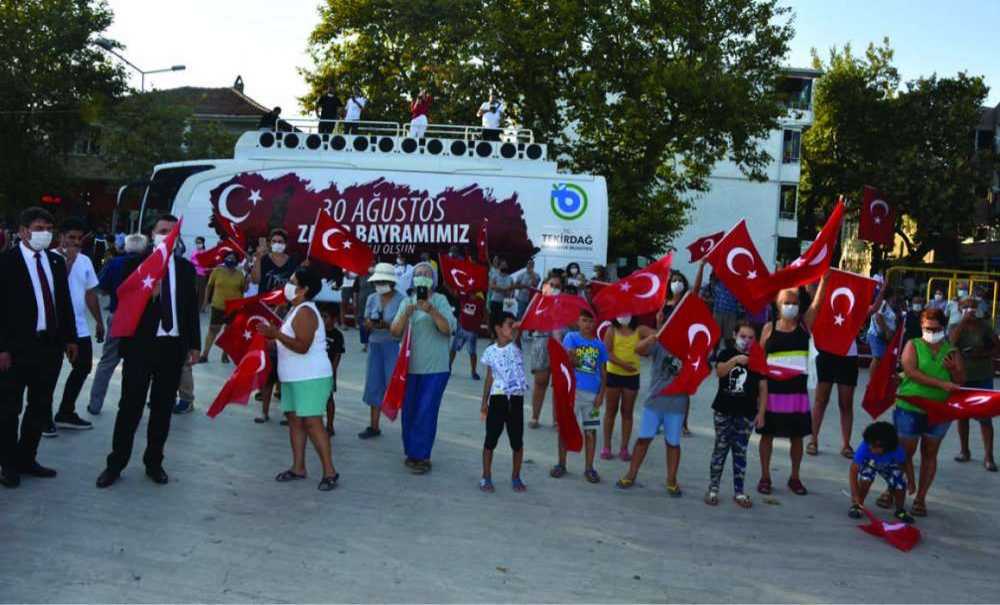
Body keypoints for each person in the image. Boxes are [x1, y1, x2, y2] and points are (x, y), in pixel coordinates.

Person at [96, 215, 201, 488]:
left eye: (172, 232)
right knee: (130, 407)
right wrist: (147, 297)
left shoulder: (186, 268)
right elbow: (121, 302)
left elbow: (191, 310)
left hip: (172, 347)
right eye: (162, 231)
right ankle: (115, 464)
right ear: (152, 234)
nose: (167, 235)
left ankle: (154, 462)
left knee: (162, 410)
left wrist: (194, 344)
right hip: (141, 347)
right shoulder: (135, 264)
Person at [0, 207, 78, 488]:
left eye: (48, 228)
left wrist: (70, 338)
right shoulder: (6, 262)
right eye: (38, 227)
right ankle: (7, 463)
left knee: (40, 406)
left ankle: (26, 458)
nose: (44, 233)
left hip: (49, 347)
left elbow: (63, 302)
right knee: (9, 409)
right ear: (23, 231)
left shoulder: (55, 262)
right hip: (16, 348)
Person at [258, 267, 339, 491]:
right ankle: (298, 467)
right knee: (294, 420)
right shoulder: (294, 309)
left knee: (313, 423)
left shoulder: (306, 312)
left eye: (293, 281)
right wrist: (272, 339)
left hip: (310, 377)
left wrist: (276, 335)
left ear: (304, 290)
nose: (288, 284)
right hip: (293, 377)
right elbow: (288, 342)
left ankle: (329, 471)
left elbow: (302, 346)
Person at [887, 308, 964, 517]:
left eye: (935, 328)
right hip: (911, 407)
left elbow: (960, 383)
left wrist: (954, 371)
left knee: (930, 453)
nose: (930, 331)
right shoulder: (913, 344)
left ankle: (920, 497)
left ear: (943, 327)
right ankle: (892, 490)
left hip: (939, 411)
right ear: (921, 326)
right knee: (904, 452)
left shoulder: (952, 351)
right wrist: (940, 382)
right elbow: (910, 371)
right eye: (926, 327)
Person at [390, 261, 456, 473]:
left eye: (427, 273)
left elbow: (448, 329)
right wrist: (405, 314)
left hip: (435, 368)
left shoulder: (440, 300)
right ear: (412, 278)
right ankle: (412, 452)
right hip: (409, 368)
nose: (423, 276)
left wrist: (432, 311)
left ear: (433, 280)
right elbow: (394, 332)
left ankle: (423, 456)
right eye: (418, 273)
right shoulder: (406, 301)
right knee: (409, 411)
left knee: (426, 411)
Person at [809, 276, 885, 458]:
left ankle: (846, 444)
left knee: (846, 403)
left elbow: (873, 309)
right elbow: (813, 298)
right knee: (821, 400)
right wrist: (824, 279)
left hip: (848, 356)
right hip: (826, 353)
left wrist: (881, 292)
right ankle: (813, 440)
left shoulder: (856, 308)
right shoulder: (825, 304)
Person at [616, 302, 687, 495]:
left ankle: (671, 480)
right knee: (643, 439)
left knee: (673, 443)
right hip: (655, 401)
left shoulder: (690, 346)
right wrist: (652, 338)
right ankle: (631, 474)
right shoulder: (660, 341)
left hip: (678, 403)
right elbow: (638, 350)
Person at [756, 287, 820, 496]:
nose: (790, 306)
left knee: (797, 436)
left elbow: (817, 305)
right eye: (786, 302)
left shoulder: (804, 325)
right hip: (771, 391)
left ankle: (795, 477)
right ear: (777, 305)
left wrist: (824, 281)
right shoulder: (768, 328)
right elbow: (758, 358)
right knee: (767, 435)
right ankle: (765, 476)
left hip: (796, 392)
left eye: (794, 303)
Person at [703, 321, 767, 508]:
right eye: (743, 336)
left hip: (746, 413)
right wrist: (735, 361)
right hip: (724, 410)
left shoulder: (758, 357)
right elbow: (720, 372)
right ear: (734, 335)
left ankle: (739, 492)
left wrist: (761, 413)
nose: (746, 341)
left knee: (740, 452)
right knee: (720, 449)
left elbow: (763, 387)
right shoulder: (726, 353)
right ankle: (713, 489)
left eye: (750, 337)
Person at [52, 218, 104, 433]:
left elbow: (90, 293)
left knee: (83, 367)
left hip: (79, 327)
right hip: (54, 327)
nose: (75, 242)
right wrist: (68, 262)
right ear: (61, 237)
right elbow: (57, 286)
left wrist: (99, 321)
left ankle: (65, 411)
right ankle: (42, 417)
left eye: (78, 238)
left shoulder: (85, 260)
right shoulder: (49, 258)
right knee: (48, 374)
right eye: (70, 237)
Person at [87, 233, 147, 415]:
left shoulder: (114, 263)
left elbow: (101, 288)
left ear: (125, 247)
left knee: (107, 361)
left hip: (118, 315)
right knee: (138, 364)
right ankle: (130, 405)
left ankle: (95, 403)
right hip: (142, 319)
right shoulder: (150, 264)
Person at [551, 309, 608, 483]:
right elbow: (569, 361)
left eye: (591, 321)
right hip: (572, 393)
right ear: (578, 322)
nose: (588, 325)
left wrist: (601, 394)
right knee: (565, 428)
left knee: (590, 431)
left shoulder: (600, 345)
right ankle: (561, 463)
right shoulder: (571, 338)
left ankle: (589, 467)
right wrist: (571, 357)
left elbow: (604, 371)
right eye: (584, 320)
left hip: (592, 395)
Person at [478, 312, 529, 493]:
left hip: (515, 399)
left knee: (517, 441)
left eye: (514, 324)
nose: (513, 327)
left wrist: (517, 325)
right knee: (490, 439)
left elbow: (518, 330)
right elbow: (489, 378)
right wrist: (484, 402)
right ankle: (486, 476)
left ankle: (516, 476)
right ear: (498, 329)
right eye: (509, 324)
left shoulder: (515, 345)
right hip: (498, 398)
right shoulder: (490, 351)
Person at [951, 296, 998, 471]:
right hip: (962, 376)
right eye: (966, 306)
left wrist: (984, 353)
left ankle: (989, 456)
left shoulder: (985, 326)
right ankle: (964, 451)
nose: (970, 309)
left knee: (985, 417)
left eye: (973, 306)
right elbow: (951, 343)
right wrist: (963, 322)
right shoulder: (955, 325)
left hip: (983, 375)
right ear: (960, 308)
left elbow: (997, 347)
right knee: (962, 415)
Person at [359, 263, 404, 439]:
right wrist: (368, 324)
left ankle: (405, 425)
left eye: (383, 281)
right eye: (378, 281)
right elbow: (365, 321)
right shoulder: (372, 298)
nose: (379, 285)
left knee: (395, 385)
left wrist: (386, 325)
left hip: (393, 345)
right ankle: (374, 425)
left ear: (391, 282)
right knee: (374, 383)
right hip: (375, 344)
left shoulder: (401, 300)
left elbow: (402, 327)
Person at [601, 315, 652, 461]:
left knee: (627, 412)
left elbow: (657, 334)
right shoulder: (611, 330)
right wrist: (624, 365)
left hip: (632, 376)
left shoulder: (640, 329)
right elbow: (607, 353)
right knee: (610, 411)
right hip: (614, 374)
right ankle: (607, 446)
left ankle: (624, 448)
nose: (625, 314)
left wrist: (659, 320)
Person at [848, 421, 915, 524]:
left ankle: (900, 510)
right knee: (865, 479)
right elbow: (853, 471)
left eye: (874, 446)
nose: (870, 448)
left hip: (889, 464)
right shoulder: (865, 447)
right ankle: (857, 505)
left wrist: (911, 480)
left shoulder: (897, 451)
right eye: (869, 444)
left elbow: (906, 463)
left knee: (900, 484)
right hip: (870, 462)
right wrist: (854, 494)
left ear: (887, 447)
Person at [525, 273, 565, 428]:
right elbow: (529, 321)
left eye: (558, 286)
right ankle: (535, 417)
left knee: (558, 385)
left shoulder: (565, 303)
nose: (554, 288)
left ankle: (557, 420)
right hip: (541, 343)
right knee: (540, 382)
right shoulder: (538, 301)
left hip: (560, 346)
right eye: (551, 285)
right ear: (546, 286)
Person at [199, 252, 247, 363]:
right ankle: (205, 354)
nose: (230, 259)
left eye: (233, 257)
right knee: (213, 330)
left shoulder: (240, 274)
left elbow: (243, 290)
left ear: (237, 261)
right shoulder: (217, 271)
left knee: (229, 332)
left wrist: (247, 281)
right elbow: (209, 286)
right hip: (218, 305)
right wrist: (205, 301)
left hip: (234, 307)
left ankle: (224, 355)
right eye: (228, 257)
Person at [318, 304, 345, 436]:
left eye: (326, 316)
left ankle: (330, 425)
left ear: (334, 319)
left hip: (328, 372)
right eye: (321, 316)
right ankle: (317, 424)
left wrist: (332, 370)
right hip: (316, 370)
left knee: (329, 399)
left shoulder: (337, 335)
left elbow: (338, 354)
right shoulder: (317, 332)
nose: (323, 319)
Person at [451, 292, 485, 380]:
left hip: (472, 331)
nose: (472, 294)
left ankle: (473, 371)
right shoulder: (464, 296)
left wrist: (482, 325)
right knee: (453, 348)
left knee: (472, 352)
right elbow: (454, 292)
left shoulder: (480, 301)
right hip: (461, 327)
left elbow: (485, 313)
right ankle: (448, 367)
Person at [866, 289, 898, 375]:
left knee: (881, 359)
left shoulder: (889, 305)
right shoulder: (883, 303)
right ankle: (871, 382)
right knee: (877, 358)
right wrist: (886, 330)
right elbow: (878, 316)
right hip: (877, 335)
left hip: (885, 336)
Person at [488, 258, 514, 338]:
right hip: (495, 301)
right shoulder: (495, 276)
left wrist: (508, 293)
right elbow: (492, 286)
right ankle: (493, 335)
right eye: (502, 265)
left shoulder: (510, 278)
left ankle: (501, 336)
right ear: (499, 266)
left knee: (502, 320)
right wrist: (503, 289)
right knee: (493, 319)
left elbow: (512, 291)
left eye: (505, 265)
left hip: (505, 302)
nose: (504, 266)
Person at [190, 236, 209, 309]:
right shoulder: (194, 252)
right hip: (194, 274)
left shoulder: (205, 252)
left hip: (202, 274)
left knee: (201, 291)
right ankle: (193, 306)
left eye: (199, 242)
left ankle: (199, 307)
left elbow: (205, 263)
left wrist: (196, 263)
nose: (198, 244)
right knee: (194, 291)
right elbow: (191, 262)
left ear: (203, 243)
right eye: (197, 242)